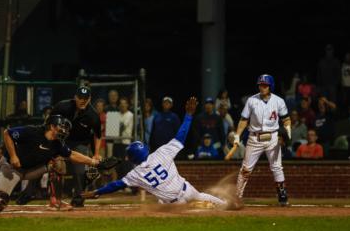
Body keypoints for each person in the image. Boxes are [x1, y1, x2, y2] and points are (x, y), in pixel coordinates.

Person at [81, 97, 226, 207]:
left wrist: (96, 192)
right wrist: (188, 116)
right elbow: (181, 136)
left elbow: (116, 185)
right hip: (188, 190)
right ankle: (225, 205)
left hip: (174, 205)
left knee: (162, 202)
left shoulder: (135, 174)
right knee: (200, 197)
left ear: (133, 159)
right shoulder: (161, 153)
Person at [0, 115, 102, 212]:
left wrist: (93, 162)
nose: (64, 131)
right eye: (62, 127)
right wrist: (13, 155)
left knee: (59, 163)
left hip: (32, 170)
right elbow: (7, 133)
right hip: (12, 168)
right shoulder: (33, 132)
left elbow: (73, 155)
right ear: (52, 126)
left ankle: (56, 201)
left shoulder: (57, 144)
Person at [231, 74, 291, 209]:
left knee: (277, 167)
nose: (262, 87)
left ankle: (282, 196)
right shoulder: (251, 100)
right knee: (246, 169)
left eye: (265, 85)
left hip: (272, 137)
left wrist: (288, 129)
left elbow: (286, 118)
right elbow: (243, 120)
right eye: (261, 85)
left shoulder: (279, 101)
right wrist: (237, 135)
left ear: (271, 86)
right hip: (254, 138)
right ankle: (237, 196)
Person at [50, 86, 102, 207]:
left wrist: (96, 153)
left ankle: (78, 199)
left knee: (79, 171)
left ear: (90, 99)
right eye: (80, 98)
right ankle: (54, 198)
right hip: (61, 141)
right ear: (75, 98)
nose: (83, 100)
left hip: (80, 143)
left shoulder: (93, 115)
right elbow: (49, 121)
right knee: (55, 166)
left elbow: (98, 135)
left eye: (86, 98)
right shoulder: (62, 106)